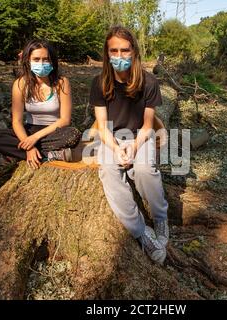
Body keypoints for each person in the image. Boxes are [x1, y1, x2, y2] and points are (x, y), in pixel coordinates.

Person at [89, 26, 169, 264]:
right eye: (114, 50)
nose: (120, 55)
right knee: (108, 170)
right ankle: (141, 231)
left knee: (145, 168)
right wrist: (115, 149)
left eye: (125, 50)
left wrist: (133, 147)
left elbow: (147, 125)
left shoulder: (149, 82)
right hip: (111, 137)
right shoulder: (99, 83)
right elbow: (101, 126)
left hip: (139, 136)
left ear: (134, 51)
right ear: (107, 53)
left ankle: (161, 218)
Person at [0, 39, 82, 169]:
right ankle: (47, 155)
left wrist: (34, 139)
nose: (41, 63)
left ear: (52, 61)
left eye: (46, 59)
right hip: (29, 130)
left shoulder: (61, 83)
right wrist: (29, 148)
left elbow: (65, 120)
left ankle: (25, 154)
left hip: (54, 131)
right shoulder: (20, 84)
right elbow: (17, 121)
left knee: (73, 135)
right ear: (28, 61)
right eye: (36, 59)